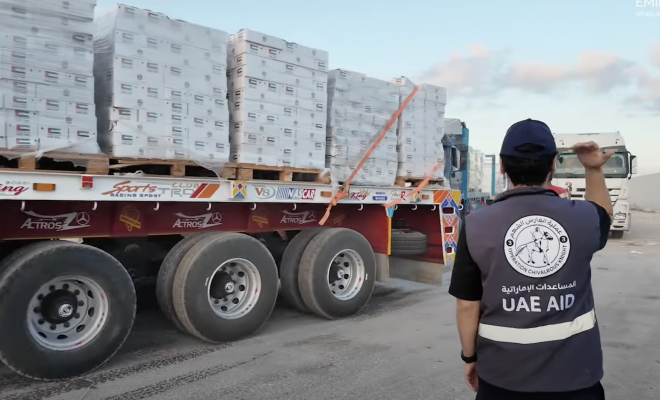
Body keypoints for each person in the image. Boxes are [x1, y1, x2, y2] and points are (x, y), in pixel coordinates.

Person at [449, 119, 613, 400]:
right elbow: (603, 217)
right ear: (553, 164)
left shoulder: (476, 225)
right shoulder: (585, 217)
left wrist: (469, 357)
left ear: (502, 165)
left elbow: (467, 304)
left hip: (502, 376)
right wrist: (593, 169)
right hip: (575, 375)